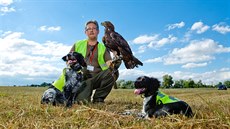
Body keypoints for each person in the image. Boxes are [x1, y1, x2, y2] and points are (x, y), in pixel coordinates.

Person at [68, 20, 115, 103]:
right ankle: (78, 94)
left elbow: (109, 63)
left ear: (98, 31)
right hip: (81, 78)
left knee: (112, 72)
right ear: (85, 32)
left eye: (94, 28)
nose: (91, 30)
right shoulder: (78, 44)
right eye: (89, 29)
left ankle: (98, 99)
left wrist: (114, 60)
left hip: (96, 78)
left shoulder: (103, 48)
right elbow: (68, 60)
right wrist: (74, 65)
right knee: (82, 102)